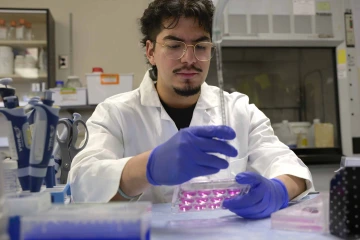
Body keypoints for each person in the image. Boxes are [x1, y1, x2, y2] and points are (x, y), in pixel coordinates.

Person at [69, 0, 314, 219]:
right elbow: (83, 185)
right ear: (151, 51)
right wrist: (147, 167)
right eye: (174, 46)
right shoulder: (116, 113)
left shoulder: (240, 110)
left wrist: (277, 191)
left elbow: (290, 168)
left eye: (200, 46)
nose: (189, 59)